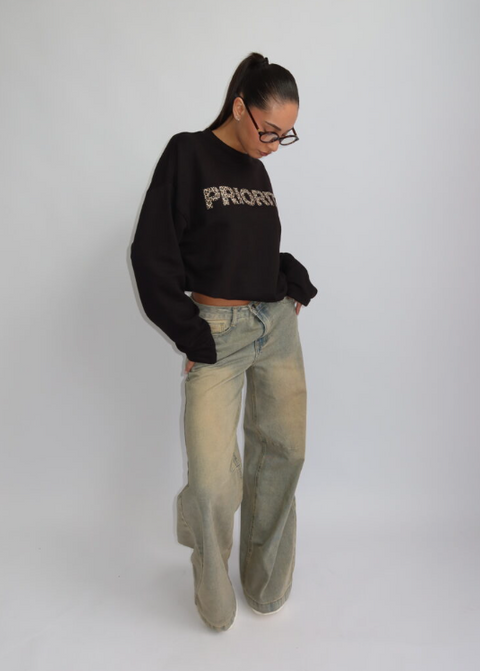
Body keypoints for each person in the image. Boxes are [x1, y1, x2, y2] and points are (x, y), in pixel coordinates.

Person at [130, 52, 318, 631]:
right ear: (239, 107)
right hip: (218, 334)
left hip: (275, 330)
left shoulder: (258, 170)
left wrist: (289, 279)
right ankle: (214, 599)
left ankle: (266, 585)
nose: (275, 145)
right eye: (269, 131)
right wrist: (191, 333)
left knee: (283, 454)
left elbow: (246, 250)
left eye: (285, 136)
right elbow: (151, 253)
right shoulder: (187, 154)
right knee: (212, 482)